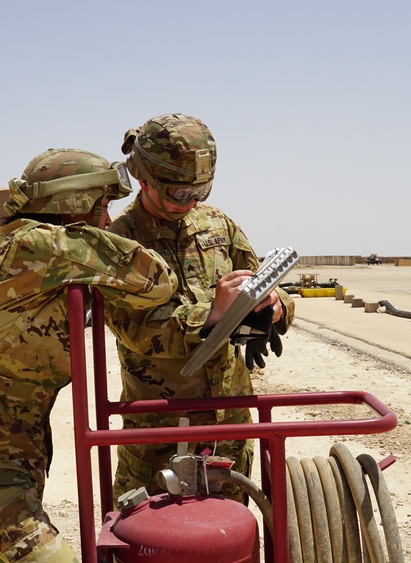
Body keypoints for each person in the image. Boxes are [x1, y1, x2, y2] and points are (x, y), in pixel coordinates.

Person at [0, 148, 176, 562]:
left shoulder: (31, 249)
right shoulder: (38, 246)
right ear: (74, 205)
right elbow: (156, 279)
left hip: (4, 458)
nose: (110, 220)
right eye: (102, 207)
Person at [104, 113, 295, 505]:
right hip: (160, 428)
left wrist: (275, 307)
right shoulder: (120, 241)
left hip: (229, 421)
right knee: (149, 538)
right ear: (144, 179)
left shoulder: (217, 225)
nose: (189, 202)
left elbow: (267, 281)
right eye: (177, 194)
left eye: (200, 191)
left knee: (230, 532)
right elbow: (133, 329)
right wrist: (212, 314)